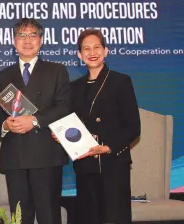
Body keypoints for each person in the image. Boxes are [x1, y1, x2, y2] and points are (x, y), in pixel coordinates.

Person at [53, 28, 141, 224]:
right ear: (79, 55)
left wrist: (108, 147)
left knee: (114, 218)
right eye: (86, 49)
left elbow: (133, 127)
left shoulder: (121, 81)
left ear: (106, 50)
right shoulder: (74, 87)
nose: (92, 53)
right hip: (85, 165)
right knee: (89, 217)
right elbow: (71, 122)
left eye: (97, 47)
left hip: (113, 164)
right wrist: (62, 136)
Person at [0, 18, 71, 224]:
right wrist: (6, 124)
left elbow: (64, 106)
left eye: (33, 35)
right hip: (15, 156)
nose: (27, 41)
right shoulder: (1, 76)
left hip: (47, 155)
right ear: (14, 41)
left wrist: (34, 120)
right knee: (20, 216)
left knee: (49, 215)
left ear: (41, 40)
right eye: (22, 36)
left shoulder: (57, 71)